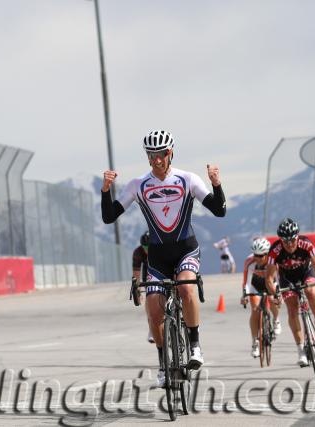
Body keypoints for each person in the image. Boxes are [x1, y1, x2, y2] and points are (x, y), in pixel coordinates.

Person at [101, 130, 226, 387]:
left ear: (170, 153)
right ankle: (163, 364)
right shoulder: (138, 185)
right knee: (154, 311)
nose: (156, 159)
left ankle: (194, 346)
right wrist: (105, 191)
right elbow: (109, 216)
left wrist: (216, 183)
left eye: (161, 154)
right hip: (157, 256)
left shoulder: (187, 179)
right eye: (151, 155)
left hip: (185, 249)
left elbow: (219, 210)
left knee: (186, 288)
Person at [265, 218, 315, 367]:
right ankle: (300, 349)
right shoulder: (274, 251)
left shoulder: (306, 244)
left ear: (297, 237)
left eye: (292, 240)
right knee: (292, 310)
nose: (289, 244)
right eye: (285, 241)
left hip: (307, 273)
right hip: (287, 278)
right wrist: (276, 294)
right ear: (280, 240)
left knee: (310, 291)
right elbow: (269, 278)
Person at [240, 237, 282, 358]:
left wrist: (278, 295)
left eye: (261, 255)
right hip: (256, 285)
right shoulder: (249, 261)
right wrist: (244, 295)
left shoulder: (273, 261)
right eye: (255, 255)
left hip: (271, 283)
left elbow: (279, 279)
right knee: (255, 310)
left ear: (267, 254)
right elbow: (246, 281)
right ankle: (255, 342)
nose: (257, 258)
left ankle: (276, 319)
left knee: (272, 299)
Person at [133, 231, 154, 343]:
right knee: (150, 296)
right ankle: (152, 329)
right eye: (144, 247)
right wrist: (138, 291)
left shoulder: (160, 247)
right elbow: (136, 275)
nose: (146, 250)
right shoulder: (138, 252)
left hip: (164, 267)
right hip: (149, 272)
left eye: (148, 247)